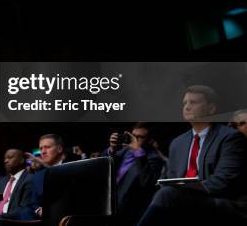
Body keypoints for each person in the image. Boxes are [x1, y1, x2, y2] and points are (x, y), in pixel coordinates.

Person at [138, 85, 247, 226]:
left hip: (219, 201)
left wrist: (183, 189)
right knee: (161, 195)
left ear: (212, 109)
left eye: (193, 102)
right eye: (185, 103)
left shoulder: (230, 137)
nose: (187, 107)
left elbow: (223, 180)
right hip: (181, 199)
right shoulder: (177, 143)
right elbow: (169, 178)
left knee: (167, 196)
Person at [104, 123, 163, 226]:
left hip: (127, 211)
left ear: (150, 140)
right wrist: (112, 149)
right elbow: (101, 165)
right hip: (107, 200)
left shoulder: (154, 158)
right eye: (133, 135)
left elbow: (147, 184)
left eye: (140, 137)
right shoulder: (124, 150)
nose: (134, 140)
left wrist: (138, 152)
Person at [0, 149, 37, 220]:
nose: (5, 161)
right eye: (5, 158)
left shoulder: (30, 179)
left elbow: (24, 208)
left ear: (21, 160)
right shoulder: (1, 181)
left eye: (10, 157)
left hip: (13, 222)